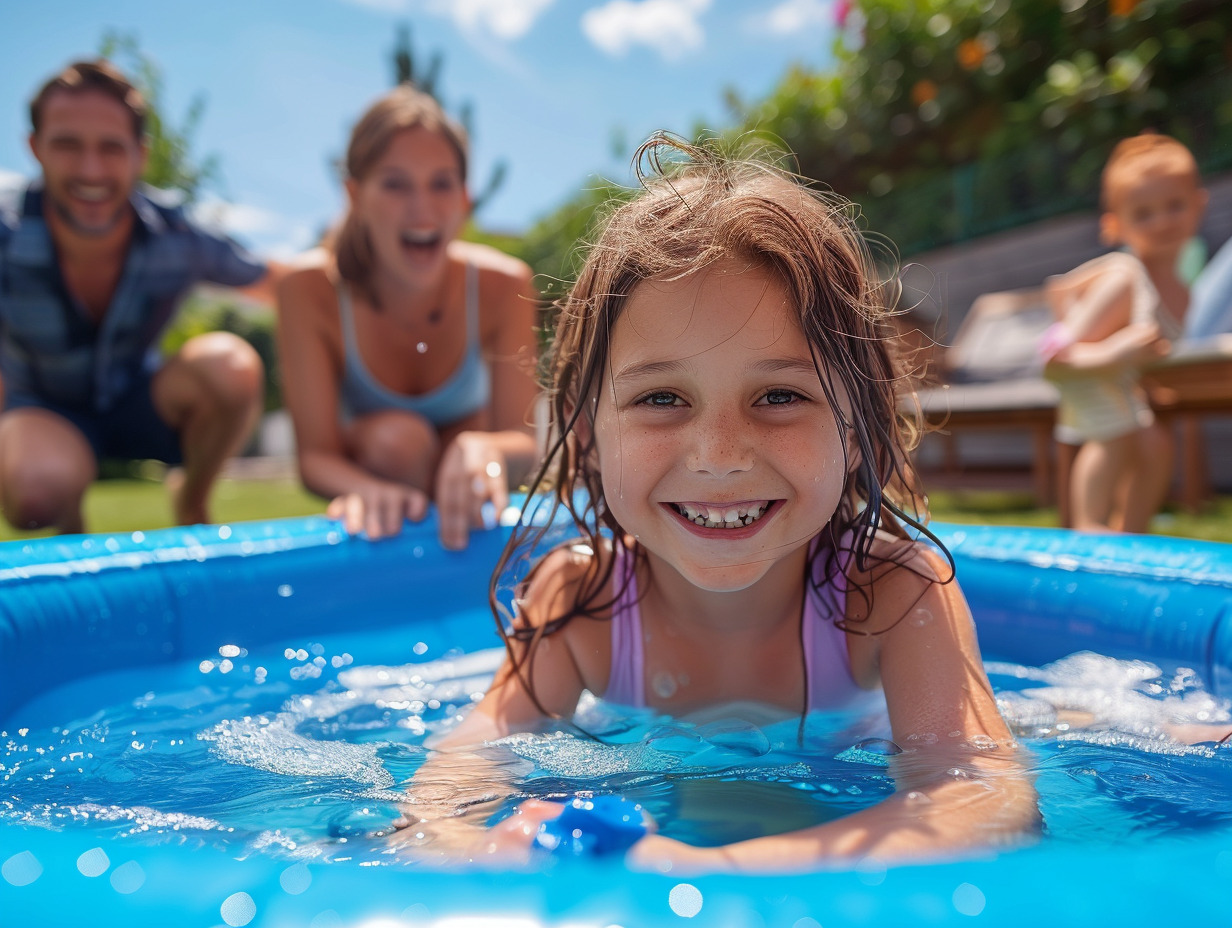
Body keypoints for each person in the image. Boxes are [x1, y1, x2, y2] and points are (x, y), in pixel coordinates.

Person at [391, 136, 1038, 872]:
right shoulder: (581, 603)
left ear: (859, 429)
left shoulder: (892, 592)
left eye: (780, 396)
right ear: (587, 431)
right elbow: (454, 778)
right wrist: (475, 850)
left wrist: (714, 872)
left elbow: (984, 796)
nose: (719, 452)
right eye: (661, 398)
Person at [0, 59, 277, 534]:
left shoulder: (176, 233)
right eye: (67, 144)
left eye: (111, 148)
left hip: (140, 399)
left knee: (229, 368)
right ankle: (70, 528)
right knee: (36, 491)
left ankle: (191, 502)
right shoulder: (6, 235)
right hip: (44, 407)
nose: (91, 170)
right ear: (35, 148)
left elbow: (275, 281)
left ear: (140, 155)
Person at [276, 86, 540, 550]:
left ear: (464, 198)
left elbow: (525, 441)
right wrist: (368, 490)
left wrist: (488, 450)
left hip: (462, 460)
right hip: (382, 456)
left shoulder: (504, 284)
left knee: (463, 446)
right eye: (396, 184)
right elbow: (316, 457)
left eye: (440, 184)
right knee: (401, 441)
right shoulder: (308, 288)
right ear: (354, 195)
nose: (422, 209)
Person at [1040, 132, 1208, 533]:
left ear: (1199, 206)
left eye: (1174, 205)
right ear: (1114, 225)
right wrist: (1116, 352)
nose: (1163, 220)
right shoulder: (1124, 279)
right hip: (1083, 375)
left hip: (1115, 381)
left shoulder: (1185, 293)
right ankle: (1090, 527)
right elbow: (1057, 357)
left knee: (1154, 443)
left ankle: (1129, 532)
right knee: (1114, 438)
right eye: (1144, 213)